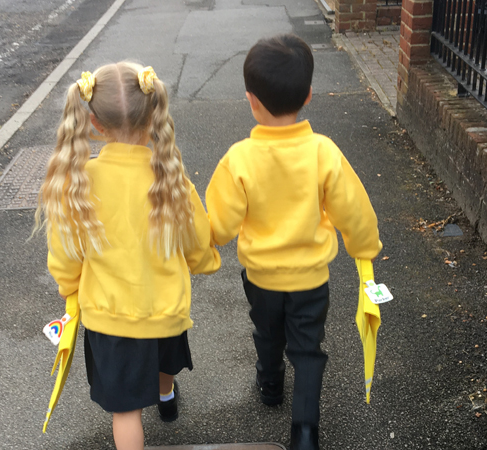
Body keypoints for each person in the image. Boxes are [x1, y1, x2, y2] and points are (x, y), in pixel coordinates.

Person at [205, 34, 382, 450]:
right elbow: (354, 211)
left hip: (262, 276)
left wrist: (203, 242)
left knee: (267, 333)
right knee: (307, 349)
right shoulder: (323, 152)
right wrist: (364, 250)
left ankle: (269, 384)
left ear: (251, 99)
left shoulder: (239, 159)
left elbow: (221, 225)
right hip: (310, 278)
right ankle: (304, 431)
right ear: (308, 95)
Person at [35, 62, 221, 450]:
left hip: (111, 317)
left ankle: (154, 410)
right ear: (153, 116)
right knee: (165, 359)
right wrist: (205, 263)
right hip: (164, 305)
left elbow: (66, 251)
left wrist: (69, 286)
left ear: (93, 124)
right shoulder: (170, 178)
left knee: (126, 412)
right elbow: (195, 239)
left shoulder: (78, 184)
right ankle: (167, 399)